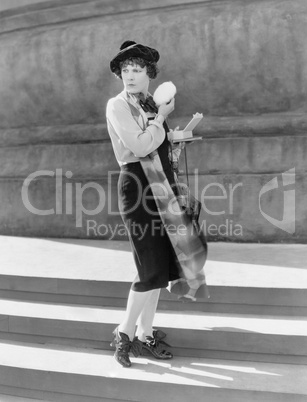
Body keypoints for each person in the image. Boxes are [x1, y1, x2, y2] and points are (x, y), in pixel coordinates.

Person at [106, 40, 181, 367]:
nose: (130, 76)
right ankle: (124, 333)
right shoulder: (117, 105)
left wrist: (174, 140)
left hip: (160, 183)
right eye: (125, 70)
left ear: (149, 74)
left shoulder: (148, 100)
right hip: (137, 185)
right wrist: (160, 118)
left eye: (137, 70)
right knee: (148, 266)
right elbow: (138, 146)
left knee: (161, 267)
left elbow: (158, 144)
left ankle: (145, 334)